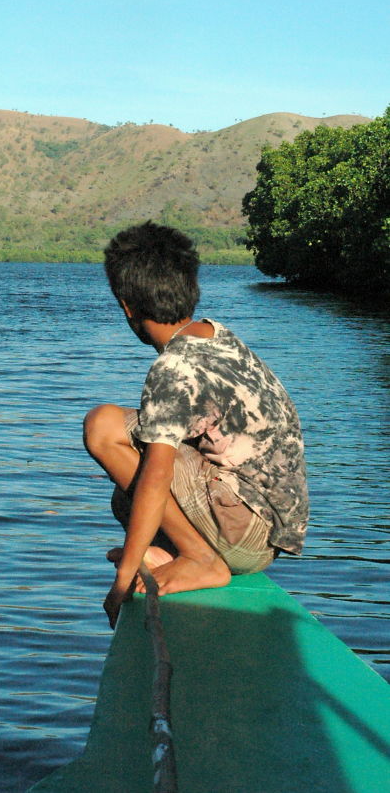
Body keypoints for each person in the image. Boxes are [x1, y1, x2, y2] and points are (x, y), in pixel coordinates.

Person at [84, 221, 308, 628]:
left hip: (246, 533)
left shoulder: (173, 367)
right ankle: (179, 551)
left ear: (126, 306)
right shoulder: (217, 336)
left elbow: (156, 476)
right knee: (129, 472)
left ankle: (201, 559)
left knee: (104, 429)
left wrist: (121, 582)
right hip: (268, 528)